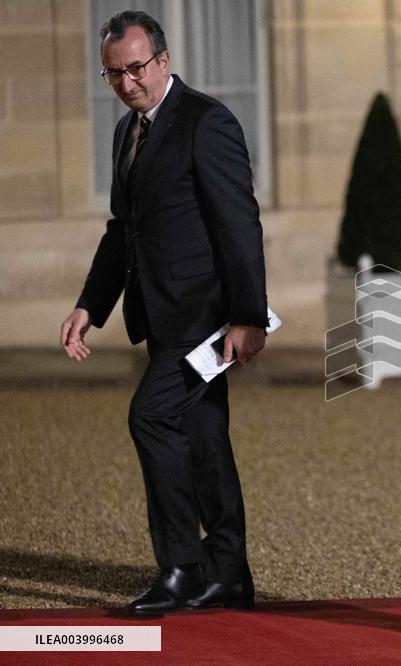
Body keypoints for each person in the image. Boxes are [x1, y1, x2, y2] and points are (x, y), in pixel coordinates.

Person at [59, 10, 267, 615]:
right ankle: (229, 575)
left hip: (205, 318)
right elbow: (123, 230)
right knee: (203, 440)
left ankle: (181, 566)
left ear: (164, 60)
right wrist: (89, 306)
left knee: (151, 418)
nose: (127, 82)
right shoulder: (129, 132)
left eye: (136, 68)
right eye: (113, 74)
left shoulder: (208, 122)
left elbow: (239, 224)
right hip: (162, 316)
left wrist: (247, 315)